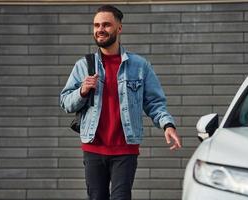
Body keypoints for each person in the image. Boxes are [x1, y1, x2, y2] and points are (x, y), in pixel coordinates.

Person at [60, 5, 182, 200]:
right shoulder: (84, 65)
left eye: (106, 24)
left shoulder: (139, 65)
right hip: (93, 148)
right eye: (96, 25)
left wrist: (167, 125)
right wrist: (82, 91)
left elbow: (155, 103)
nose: (100, 29)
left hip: (125, 149)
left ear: (119, 28)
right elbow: (65, 102)